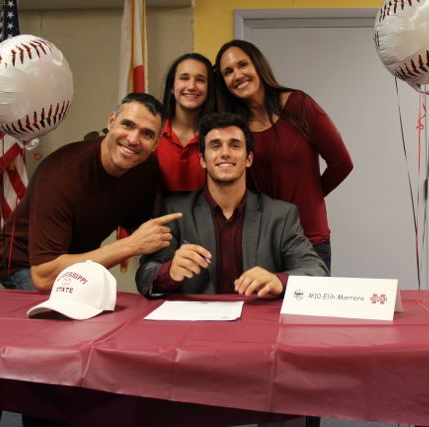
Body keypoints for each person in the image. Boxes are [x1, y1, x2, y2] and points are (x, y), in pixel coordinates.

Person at [0, 92, 182, 292]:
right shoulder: (59, 177)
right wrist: (132, 245)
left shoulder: (145, 168)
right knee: (70, 316)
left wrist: (177, 257)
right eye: (127, 125)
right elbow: (43, 276)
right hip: (26, 264)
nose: (134, 140)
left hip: (73, 258)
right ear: (111, 122)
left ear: (156, 143)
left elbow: (141, 229)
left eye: (147, 134)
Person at [136, 112, 328, 298]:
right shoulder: (175, 212)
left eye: (235, 145)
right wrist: (169, 272)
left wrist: (280, 281)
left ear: (249, 158)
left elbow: (318, 272)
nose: (225, 153)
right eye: (215, 145)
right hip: (195, 328)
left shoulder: (281, 215)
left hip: (258, 326)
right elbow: (145, 277)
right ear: (203, 160)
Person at [214, 39, 354, 273]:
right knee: (261, 311)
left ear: (258, 65)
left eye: (242, 65)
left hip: (309, 237)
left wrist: (310, 196)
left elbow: (342, 163)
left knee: (309, 311)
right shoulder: (233, 126)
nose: (237, 75)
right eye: (228, 71)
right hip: (260, 242)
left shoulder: (299, 105)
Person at [155, 53, 214, 194]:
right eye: (184, 78)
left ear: (209, 89)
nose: (191, 86)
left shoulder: (217, 137)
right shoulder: (153, 133)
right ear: (171, 87)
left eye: (200, 80)